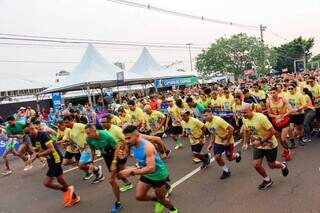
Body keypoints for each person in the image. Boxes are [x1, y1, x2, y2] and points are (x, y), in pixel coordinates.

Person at [120, 125, 178, 213]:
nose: (126, 141)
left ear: (137, 135)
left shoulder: (148, 147)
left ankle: (173, 210)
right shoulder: (130, 143)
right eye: (125, 138)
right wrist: (123, 155)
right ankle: (158, 200)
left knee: (162, 198)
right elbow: (127, 153)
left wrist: (132, 172)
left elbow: (151, 168)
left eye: (128, 138)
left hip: (158, 175)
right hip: (145, 172)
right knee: (139, 196)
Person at [27, 123, 80, 207]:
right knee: (60, 179)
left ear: (32, 129)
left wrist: (38, 155)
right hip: (50, 159)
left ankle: (67, 189)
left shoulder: (43, 135)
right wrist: (32, 158)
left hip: (56, 159)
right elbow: (36, 150)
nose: (27, 135)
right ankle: (75, 197)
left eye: (27, 132)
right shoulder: (32, 137)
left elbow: (51, 149)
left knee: (47, 183)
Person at [241, 103, 289, 190]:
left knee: (272, 165)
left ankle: (283, 166)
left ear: (251, 110)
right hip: (258, 145)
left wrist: (261, 141)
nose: (243, 115)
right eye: (242, 113)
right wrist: (245, 143)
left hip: (270, 145)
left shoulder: (261, 118)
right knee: (256, 165)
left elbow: (273, 131)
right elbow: (246, 130)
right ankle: (267, 180)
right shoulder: (244, 119)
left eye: (245, 112)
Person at [86, 124, 132, 213]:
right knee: (119, 175)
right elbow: (92, 150)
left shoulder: (105, 135)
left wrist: (114, 162)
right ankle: (129, 182)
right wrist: (91, 162)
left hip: (116, 155)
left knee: (111, 180)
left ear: (94, 131)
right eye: (86, 133)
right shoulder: (89, 139)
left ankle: (118, 203)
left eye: (88, 133)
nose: (87, 135)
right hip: (107, 158)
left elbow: (117, 147)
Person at [203, 109, 241, 179]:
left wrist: (227, 140)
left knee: (229, 158)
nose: (204, 118)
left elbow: (231, 129)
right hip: (218, 141)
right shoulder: (207, 124)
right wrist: (211, 143)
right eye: (204, 116)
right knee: (217, 157)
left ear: (211, 113)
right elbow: (212, 134)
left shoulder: (218, 120)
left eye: (206, 115)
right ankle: (226, 171)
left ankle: (237, 155)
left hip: (228, 141)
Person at [266, 87, 292, 161]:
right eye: (271, 93)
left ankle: (288, 151)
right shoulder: (268, 101)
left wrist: (282, 116)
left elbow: (290, 110)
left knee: (282, 138)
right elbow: (269, 114)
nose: (272, 94)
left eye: (274, 92)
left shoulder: (283, 99)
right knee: (280, 139)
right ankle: (285, 149)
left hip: (285, 120)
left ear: (277, 92)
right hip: (275, 122)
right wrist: (277, 117)